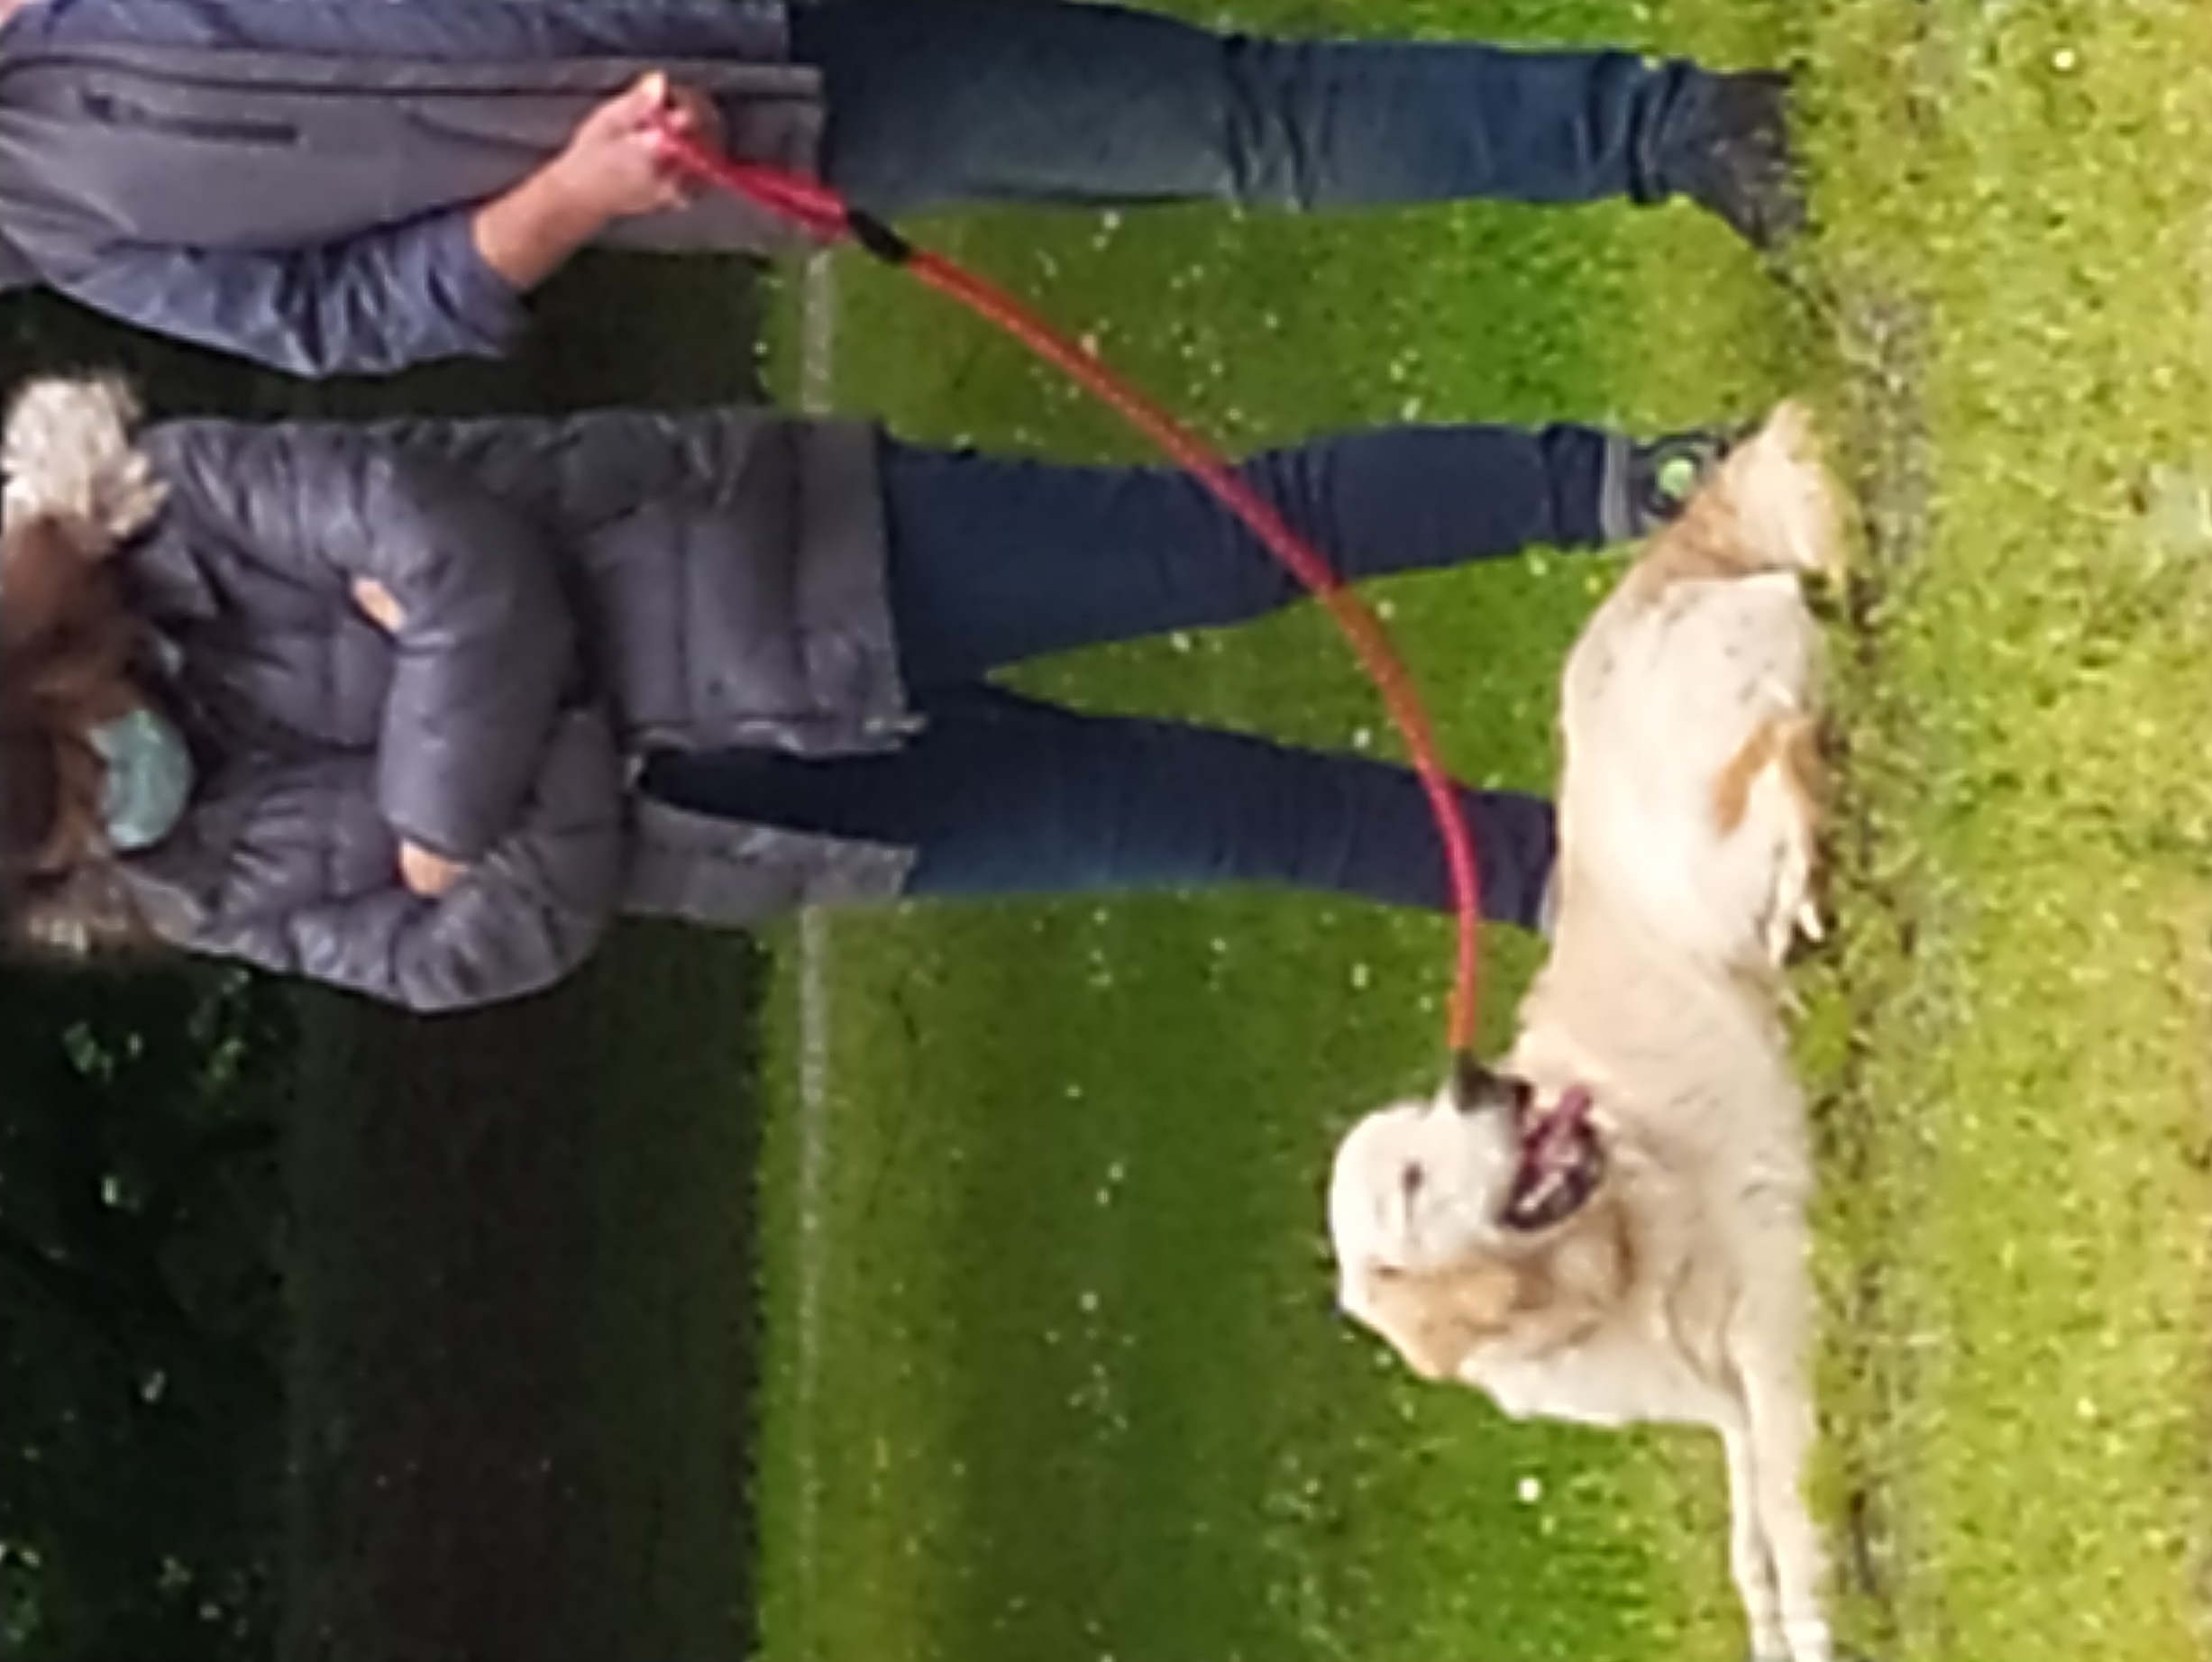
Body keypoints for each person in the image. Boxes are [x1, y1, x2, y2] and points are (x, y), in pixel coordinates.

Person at [0, 371, 1726, 1012]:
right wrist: (522, 720)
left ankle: (1620, 483)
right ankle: (1591, 884)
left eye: (66, 761)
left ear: (40, 667)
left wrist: (447, 811)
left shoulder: (154, 502)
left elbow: (461, 553)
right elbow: (470, 959)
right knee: (1206, 813)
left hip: (803, 561)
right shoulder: (175, 880)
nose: (103, 801)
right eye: (64, 836)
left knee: (1227, 544)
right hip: (763, 823)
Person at [0, 0, 1803, 379]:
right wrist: (569, 191)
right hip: (752, 86)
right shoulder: (47, 221)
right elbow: (337, 317)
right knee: (1224, 125)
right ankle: (1672, 135)